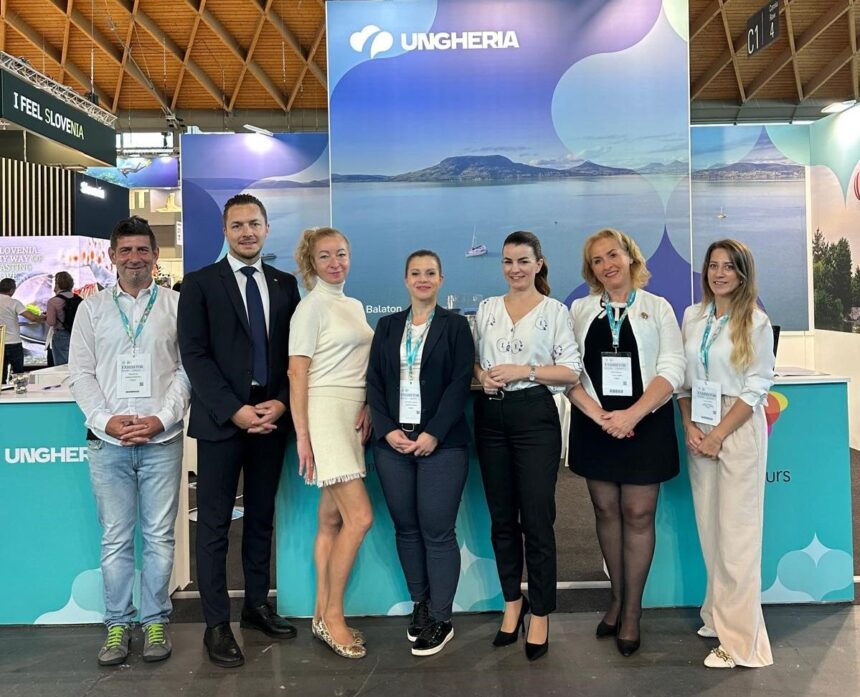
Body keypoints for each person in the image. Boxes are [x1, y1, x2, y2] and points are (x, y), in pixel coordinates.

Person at [178, 194, 301, 668]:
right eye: (237, 225)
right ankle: (216, 624)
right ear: (225, 231)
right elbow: (194, 354)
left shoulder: (285, 284)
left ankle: (256, 606)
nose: (247, 232)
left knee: (262, 518)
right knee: (213, 526)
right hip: (221, 423)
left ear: (267, 228)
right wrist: (234, 410)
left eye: (254, 224)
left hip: (271, 419)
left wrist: (282, 402)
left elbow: (294, 353)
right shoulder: (200, 283)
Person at [68, 216, 191, 665]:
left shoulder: (177, 306)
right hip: (108, 444)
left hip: (162, 440)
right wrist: (106, 421)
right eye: (126, 250)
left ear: (155, 255)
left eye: (142, 250)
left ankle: (155, 619)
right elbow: (80, 373)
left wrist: (161, 418)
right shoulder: (92, 309)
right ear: (112, 257)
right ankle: (118, 624)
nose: (134, 258)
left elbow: (187, 369)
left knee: (159, 536)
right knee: (116, 538)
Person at [567, 228, 685, 657]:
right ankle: (616, 599)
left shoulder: (658, 307)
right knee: (605, 511)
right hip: (595, 423)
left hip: (646, 423)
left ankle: (632, 612)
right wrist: (600, 416)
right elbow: (568, 369)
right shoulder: (580, 309)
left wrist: (632, 414)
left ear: (630, 257)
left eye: (612, 255)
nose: (607, 265)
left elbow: (673, 368)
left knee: (638, 514)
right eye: (597, 260)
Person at [472, 231, 581, 662]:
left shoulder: (555, 311)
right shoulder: (486, 308)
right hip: (491, 417)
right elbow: (475, 361)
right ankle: (512, 603)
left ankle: (541, 612)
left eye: (522, 261)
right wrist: (482, 376)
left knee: (537, 518)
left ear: (539, 264)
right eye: (507, 261)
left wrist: (526, 370)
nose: (514, 269)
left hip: (535, 415)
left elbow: (570, 371)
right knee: (502, 518)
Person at [366, 250, 474, 656]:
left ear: (441, 280)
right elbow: (375, 382)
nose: (423, 279)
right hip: (393, 445)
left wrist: (433, 433)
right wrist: (387, 429)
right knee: (407, 529)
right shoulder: (388, 326)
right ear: (406, 279)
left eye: (430, 273)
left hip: (441, 445)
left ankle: (442, 617)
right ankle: (422, 605)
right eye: (416, 273)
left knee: (437, 531)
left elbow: (459, 383)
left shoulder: (456, 326)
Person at [678, 239, 774, 669]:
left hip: (735, 427)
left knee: (738, 536)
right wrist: (690, 425)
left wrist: (718, 434)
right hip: (699, 425)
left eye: (729, 267)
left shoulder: (755, 321)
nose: (719, 274)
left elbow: (757, 387)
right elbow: (682, 380)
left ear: (742, 274)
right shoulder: (692, 316)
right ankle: (718, 616)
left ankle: (740, 644)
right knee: (711, 530)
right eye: (713, 266)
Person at [288, 227, 374, 660]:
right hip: (324, 416)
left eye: (341, 253)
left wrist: (368, 403)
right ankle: (335, 616)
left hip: (351, 416)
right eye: (325, 256)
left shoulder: (353, 305)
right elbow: (297, 373)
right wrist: (304, 436)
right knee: (360, 518)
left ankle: (320, 615)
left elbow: (358, 366)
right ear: (312, 263)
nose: (335, 262)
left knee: (331, 520)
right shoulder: (310, 307)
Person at [0, 277, 43, 378]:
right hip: (14, 342)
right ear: (11, 290)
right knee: (18, 374)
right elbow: (32, 318)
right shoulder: (14, 302)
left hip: (1, 343)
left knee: (1, 374)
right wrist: (43, 317)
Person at [46, 271, 78, 365]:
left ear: (57, 284)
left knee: (62, 365)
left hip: (61, 335)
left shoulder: (53, 301)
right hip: (77, 333)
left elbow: (51, 322)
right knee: (75, 362)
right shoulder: (78, 299)